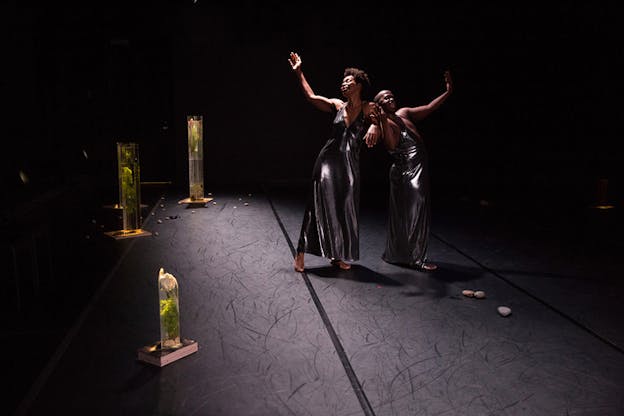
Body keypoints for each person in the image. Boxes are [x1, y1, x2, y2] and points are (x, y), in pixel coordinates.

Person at [288, 51, 380, 273]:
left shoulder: (368, 108)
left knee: (344, 207)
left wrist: (375, 125)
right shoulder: (337, 105)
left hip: (349, 165)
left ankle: (337, 255)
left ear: (358, 85)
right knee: (316, 205)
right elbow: (312, 97)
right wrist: (299, 71)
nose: (343, 85)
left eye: (348, 81)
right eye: (342, 82)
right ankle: (300, 254)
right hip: (328, 161)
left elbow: (380, 119)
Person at [370, 70, 453, 271]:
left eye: (390, 95)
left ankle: (397, 255)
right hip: (406, 173)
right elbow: (390, 146)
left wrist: (448, 92)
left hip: (417, 169)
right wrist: (379, 121)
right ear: (379, 105)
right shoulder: (385, 123)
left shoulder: (404, 113)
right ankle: (415, 259)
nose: (390, 98)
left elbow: (428, 108)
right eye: (384, 97)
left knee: (411, 213)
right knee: (413, 213)